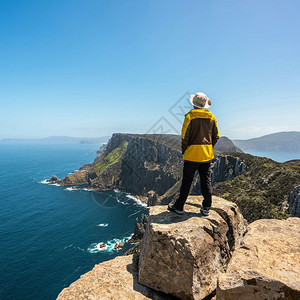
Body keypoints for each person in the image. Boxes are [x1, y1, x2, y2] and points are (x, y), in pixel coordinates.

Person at [168, 92, 219, 216]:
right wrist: (208, 148)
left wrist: (185, 150)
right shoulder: (212, 117)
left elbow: (185, 137)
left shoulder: (190, 116)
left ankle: (179, 206)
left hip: (191, 155)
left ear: (194, 104)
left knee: (187, 182)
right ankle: (206, 207)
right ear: (205, 105)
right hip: (206, 156)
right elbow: (216, 136)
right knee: (206, 182)